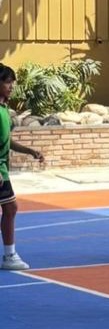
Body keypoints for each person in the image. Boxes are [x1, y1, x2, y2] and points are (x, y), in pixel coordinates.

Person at [0, 64, 44, 271]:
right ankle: (9, 256)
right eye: (7, 82)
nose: (11, 86)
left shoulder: (4, 112)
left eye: (12, 82)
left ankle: (9, 255)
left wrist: (29, 151)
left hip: (2, 169)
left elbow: (7, 142)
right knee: (11, 208)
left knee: (10, 208)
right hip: (0, 171)